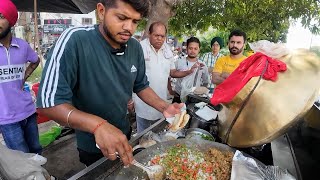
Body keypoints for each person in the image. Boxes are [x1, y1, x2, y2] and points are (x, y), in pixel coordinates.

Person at [37, 0, 183, 167]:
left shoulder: (134, 47)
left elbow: (140, 85)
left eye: (135, 21)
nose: (129, 27)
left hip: (124, 134)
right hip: (91, 145)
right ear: (101, 11)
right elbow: (48, 104)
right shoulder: (75, 40)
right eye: (122, 18)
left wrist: (165, 107)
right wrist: (98, 126)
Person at [0, 0, 42, 154]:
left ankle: (41, 177)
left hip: (28, 111)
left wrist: (24, 77)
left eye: (0, 16)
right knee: (21, 156)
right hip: (6, 117)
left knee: (36, 149)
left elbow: (35, 61)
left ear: (11, 20)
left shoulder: (22, 46)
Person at [133, 22, 175, 133]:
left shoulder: (167, 50)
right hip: (142, 102)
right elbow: (131, 76)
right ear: (149, 34)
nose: (159, 39)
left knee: (159, 135)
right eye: (156, 35)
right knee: (143, 137)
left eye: (162, 36)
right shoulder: (139, 48)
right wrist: (129, 99)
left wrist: (189, 71)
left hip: (161, 100)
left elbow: (171, 72)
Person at [171, 37, 210, 103]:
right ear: (186, 49)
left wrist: (200, 91)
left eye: (195, 49)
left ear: (199, 50)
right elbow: (170, 75)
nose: (193, 51)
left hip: (195, 98)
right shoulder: (179, 62)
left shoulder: (202, 65)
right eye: (190, 48)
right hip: (178, 97)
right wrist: (170, 90)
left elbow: (206, 81)